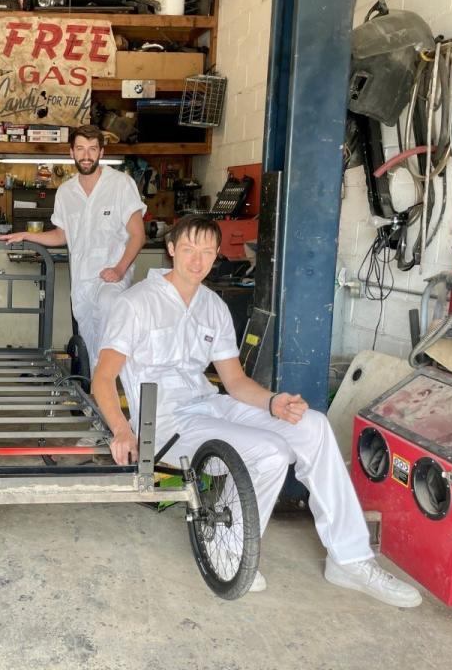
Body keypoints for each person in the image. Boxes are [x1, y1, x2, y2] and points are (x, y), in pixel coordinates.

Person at [92, 214, 422, 607]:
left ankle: (349, 559)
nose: (197, 261)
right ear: (171, 250)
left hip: (210, 405)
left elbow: (234, 382)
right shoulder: (137, 303)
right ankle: (230, 548)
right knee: (271, 451)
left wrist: (272, 402)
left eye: (207, 253)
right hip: (164, 422)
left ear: (216, 256)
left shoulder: (212, 306)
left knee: (312, 425)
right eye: (188, 250)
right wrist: (122, 430)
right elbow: (103, 378)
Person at [0, 125, 146, 372]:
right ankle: (95, 398)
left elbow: (138, 236)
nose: (86, 155)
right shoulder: (66, 192)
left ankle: (114, 393)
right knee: (89, 347)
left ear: (101, 152)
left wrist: (120, 270)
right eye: (80, 149)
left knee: (111, 328)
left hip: (111, 279)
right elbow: (61, 235)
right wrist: (26, 235)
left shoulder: (121, 184)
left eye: (92, 149)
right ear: (71, 152)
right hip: (82, 283)